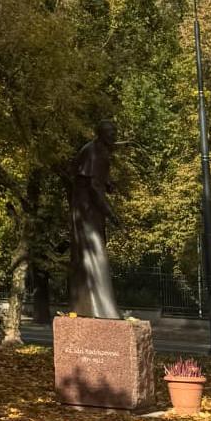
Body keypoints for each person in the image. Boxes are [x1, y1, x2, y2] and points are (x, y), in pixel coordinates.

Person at [70, 119, 120, 319]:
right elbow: (93, 187)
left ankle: (97, 308)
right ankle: (99, 308)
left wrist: (107, 182)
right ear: (100, 133)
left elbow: (95, 179)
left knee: (94, 254)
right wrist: (111, 213)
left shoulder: (100, 151)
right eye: (110, 132)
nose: (114, 135)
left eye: (114, 132)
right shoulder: (93, 151)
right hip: (86, 211)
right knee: (94, 253)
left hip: (89, 210)